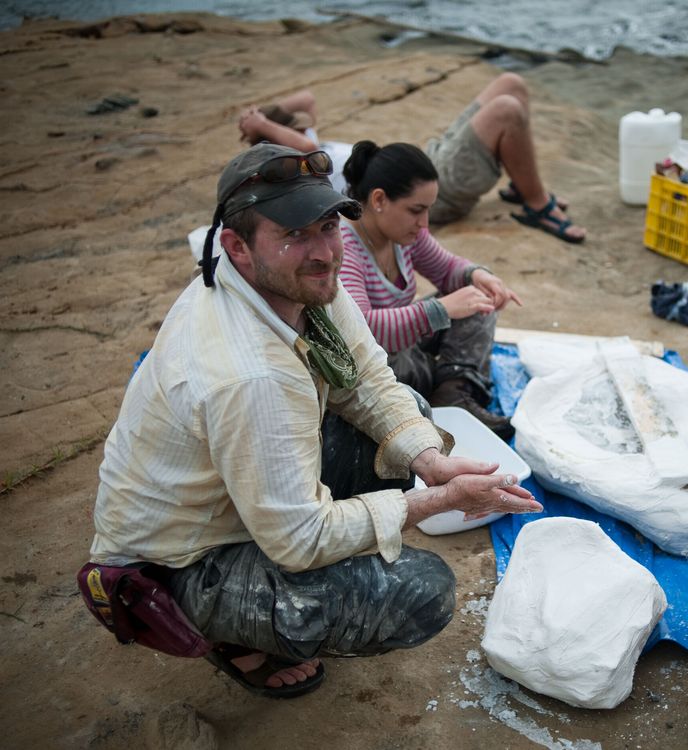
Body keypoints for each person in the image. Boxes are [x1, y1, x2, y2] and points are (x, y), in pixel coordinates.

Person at [85, 142, 542, 698]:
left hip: (238, 504)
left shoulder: (302, 284)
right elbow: (300, 538)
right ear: (238, 246)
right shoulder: (249, 374)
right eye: (295, 234)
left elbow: (368, 378)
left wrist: (433, 462)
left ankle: (292, 591)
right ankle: (229, 629)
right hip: (181, 562)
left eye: (328, 226)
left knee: (410, 418)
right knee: (423, 591)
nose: (324, 251)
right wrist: (438, 500)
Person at [237, 73, 586, 244]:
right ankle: (538, 205)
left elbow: (307, 100)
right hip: (434, 189)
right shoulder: (303, 167)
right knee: (507, 110)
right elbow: (301, 142)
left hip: (425, 160)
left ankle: (520, 179)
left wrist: (257, 119)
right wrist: (261, 126)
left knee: (511, 84)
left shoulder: (307, 139)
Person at [338, 140, 521, 440]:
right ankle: (440, 391)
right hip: (374, 364)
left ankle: (453, 393)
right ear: (379, 199)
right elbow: (362, 331)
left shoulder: (404, 235)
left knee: (476, 296)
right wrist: (441, 310)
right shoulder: (345, 247)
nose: (424, 223)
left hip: (404, 349)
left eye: (428, 211)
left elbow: (448, 269)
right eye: (416, 210)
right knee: (398, 367)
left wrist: (477, 275)